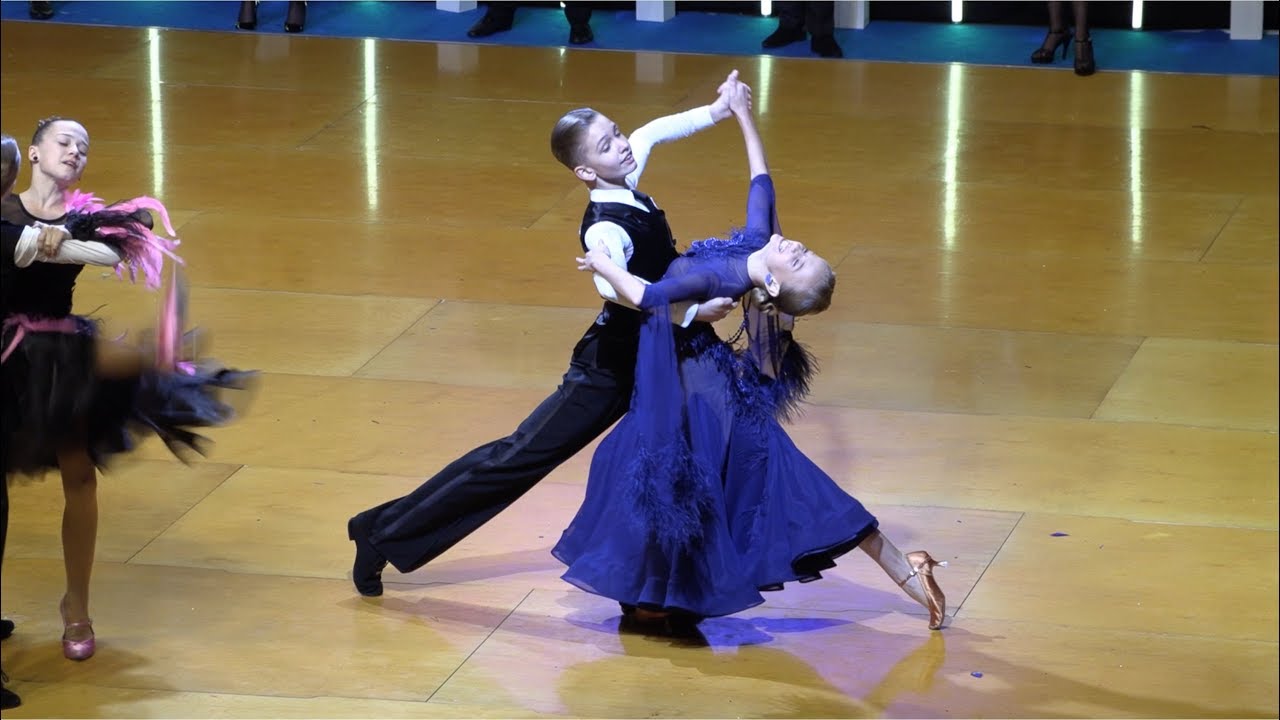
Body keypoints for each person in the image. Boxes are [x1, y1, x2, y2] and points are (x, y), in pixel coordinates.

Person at [555, 85, 947, 631]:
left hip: (695, 383)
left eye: (798, 259)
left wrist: (604, 263)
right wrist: (740, 114)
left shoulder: (727, 275)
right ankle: (907, 570)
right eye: (804, 251)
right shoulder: (760, 244)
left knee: (716, 479)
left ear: (770, 282)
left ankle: (904, 569)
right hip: (699, 374)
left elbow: (646, 297)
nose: (795, 245)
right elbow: (762, 182)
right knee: (724, 480)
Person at [346, 73, 752, 597]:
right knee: (517, 458)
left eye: (616, 131)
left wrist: (717, 111)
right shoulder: (603, 228)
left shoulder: (624, 178)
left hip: (659, 354)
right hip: (611, 367)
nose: (624, 144)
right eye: (608, 144)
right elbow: (616, 291)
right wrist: (692, 312)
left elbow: (652, 132)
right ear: (584, 170)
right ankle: (381, 532)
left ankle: (700, 566)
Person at [1, 129, 253, 666]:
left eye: (85, 147)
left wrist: (62, 239)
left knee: (80, 475)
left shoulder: (87, 217)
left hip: (57, 350)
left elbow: (122, 238)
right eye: (65, 142)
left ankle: (78, 606)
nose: (75, 152)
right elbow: (19, 247)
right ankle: (150, 357)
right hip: (5, 349)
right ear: (36, 152)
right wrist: (46, 243)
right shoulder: (3, 208)